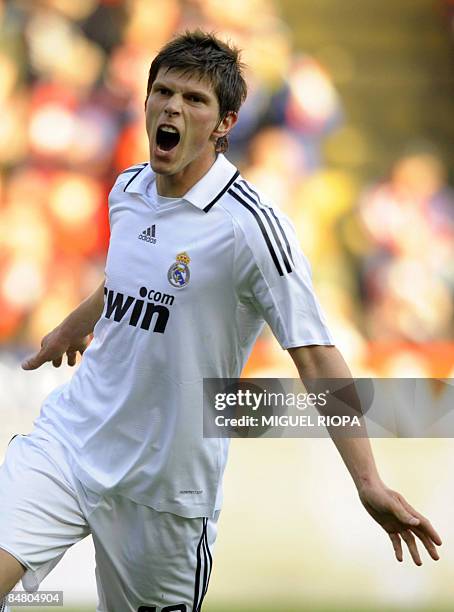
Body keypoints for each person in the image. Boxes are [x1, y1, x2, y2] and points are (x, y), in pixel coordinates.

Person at [0, 30, 441, 612]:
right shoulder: (128, 190)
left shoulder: (253, 227)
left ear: (224, 124)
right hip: (71, 443)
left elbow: (316, 356)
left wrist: (367, 481)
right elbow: (129, 280)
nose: (173, 107)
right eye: (163, 91)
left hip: (164, 494)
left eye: (194, 99)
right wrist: (73, 325)